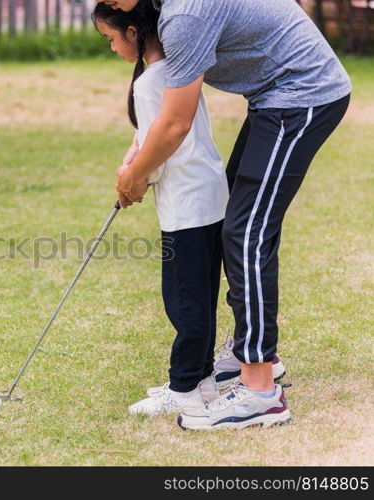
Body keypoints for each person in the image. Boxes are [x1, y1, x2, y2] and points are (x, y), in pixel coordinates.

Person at [100, 0, 351, 429]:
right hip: (273, 95)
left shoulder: (183, 16)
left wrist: (132, 178)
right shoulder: (164, 7)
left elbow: (176, 123)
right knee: (241, 220)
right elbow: (165, 118)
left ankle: (261, 391)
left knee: (245, 234)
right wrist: (138, 156)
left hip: (302, 92)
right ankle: (247, 353)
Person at [92, 2, 229, 416]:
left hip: (186, 205)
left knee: (184, 301)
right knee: (200, 296)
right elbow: (148, 137)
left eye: (112, 39)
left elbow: (161, 152)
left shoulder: (149, 83)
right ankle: (202, 381)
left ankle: (184, 387)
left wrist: (131, 180)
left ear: (133, 33)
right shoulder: (175, 72)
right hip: (210, 197)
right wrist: (131, 162)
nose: (112, 48)